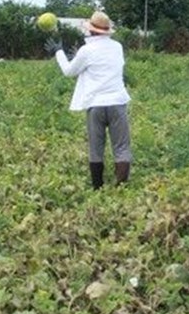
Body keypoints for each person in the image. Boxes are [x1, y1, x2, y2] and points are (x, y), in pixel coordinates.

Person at [46, 11, 132, 189]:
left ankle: (97, 187)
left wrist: (58, 52)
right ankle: (121, 188)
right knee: (121, 147)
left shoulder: (86, 51)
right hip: (117, 102)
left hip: (96, 105)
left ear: (91, 31)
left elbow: (69, 71)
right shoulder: (117, 47)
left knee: (96, 147)